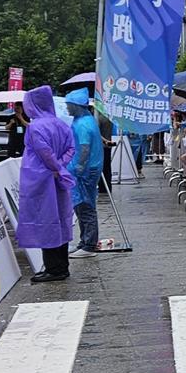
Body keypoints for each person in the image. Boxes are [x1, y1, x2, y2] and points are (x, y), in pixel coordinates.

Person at [15, 86, 76, 283]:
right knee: (60, 220)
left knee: (45, 222)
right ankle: (61, 266)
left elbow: (44, 152)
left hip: (40, 181)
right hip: (58, 179)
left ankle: (53, 268)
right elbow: (71, 148)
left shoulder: (35, 127)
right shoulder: (62, 124)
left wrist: (55, 167)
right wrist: (61, 167)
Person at [65, 88, 103, 258]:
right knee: (82, 207)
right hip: (86, 170)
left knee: (85, 207)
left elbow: (85, 148)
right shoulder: (86, 120)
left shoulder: (82, 124)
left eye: (69, 105)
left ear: (76, 106)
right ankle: (85, 241)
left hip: (85, 172)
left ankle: (89, 245)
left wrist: (79, 166)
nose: (67, 108)